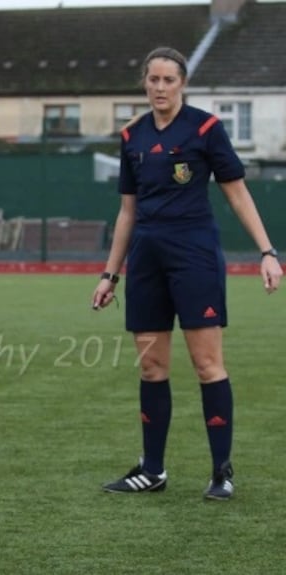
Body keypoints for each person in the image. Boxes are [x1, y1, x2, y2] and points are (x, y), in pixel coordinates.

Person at [93, 47, 282, 501]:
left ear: (183, 84)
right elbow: (127, 212)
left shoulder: (206, 128)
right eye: (153, 79)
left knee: (206, 365)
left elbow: (237, 193)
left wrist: (267, 251)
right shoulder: (132, 135)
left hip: (195, 258)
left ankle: (221, 472)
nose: (160, 88)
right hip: (146, 262)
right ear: (145, 82)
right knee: (152, 366)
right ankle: (152, 471)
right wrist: (110, 275)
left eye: (169, 80)